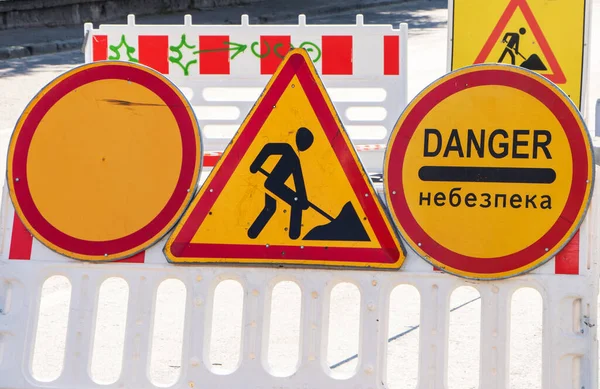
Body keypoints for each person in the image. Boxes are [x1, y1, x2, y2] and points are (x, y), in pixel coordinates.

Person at [247, 127, 314, 240]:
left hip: (272, 184)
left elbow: (299, 182)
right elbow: (268, 148)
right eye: (306, 144)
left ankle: (252, 233)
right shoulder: (289, 151)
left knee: (270, 207)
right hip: (274, 185)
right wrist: (255, 165)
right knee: (296, 202)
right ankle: (294, 234)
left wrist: (304, 199)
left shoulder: (293, 157)